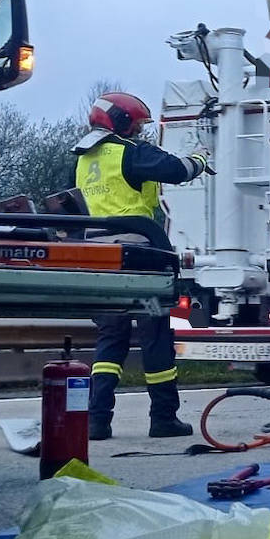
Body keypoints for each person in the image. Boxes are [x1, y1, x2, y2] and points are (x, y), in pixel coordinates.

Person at [73, 91, 213, 440]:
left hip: (99, 261)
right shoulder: (130, 153)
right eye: (135, 124)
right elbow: (178, 170)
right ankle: (163, 417)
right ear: (120, 121)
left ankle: (97, 420)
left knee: (111, 336)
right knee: (155, 333)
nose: (138, 131)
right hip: (137, 259)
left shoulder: (83, 159)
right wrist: (202, 156)